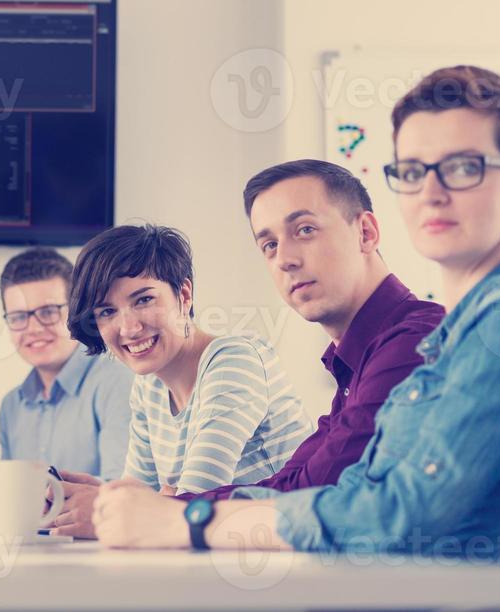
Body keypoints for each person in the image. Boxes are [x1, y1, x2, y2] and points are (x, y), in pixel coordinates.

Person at [95, 66, 500, 563]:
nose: (430, 192)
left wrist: (190, 522)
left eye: (463, 167)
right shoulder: (458, 335)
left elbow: (391, 515)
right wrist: (166, 511)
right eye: (412, 172)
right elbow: (349, 489)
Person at [182, 159, 442, 502]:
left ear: (365, 233)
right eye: (269, 245)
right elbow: (285, 483)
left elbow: (308, 493)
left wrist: (159, 514)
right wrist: (153, 506)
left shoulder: (415, 340)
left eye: (305, 229)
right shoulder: (354, 362)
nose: (284, 259)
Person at [56, 223, 312, 538]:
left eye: (143, 300)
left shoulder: (235, 360)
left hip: (287, 557)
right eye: (107, 311)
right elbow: (144, 498)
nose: (129, 327)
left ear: (184, 295)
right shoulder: (148, 386)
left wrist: (109, 508)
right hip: (218, 556)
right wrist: (109, 496)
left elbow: (191, 505)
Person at [0, 247, 131, 481]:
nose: (34, 329)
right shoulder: (11, 407)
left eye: (48, 312)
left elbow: (122, 489)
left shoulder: (117, 383)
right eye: (18, 317)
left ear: (76, 313)